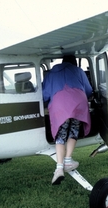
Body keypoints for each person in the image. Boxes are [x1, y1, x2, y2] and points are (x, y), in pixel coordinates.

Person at [42, 55, 93, 185]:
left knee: (61, 135)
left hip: (60, 105)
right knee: (74, 131)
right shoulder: (79, 71)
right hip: (78, 103)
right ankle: (68, 161)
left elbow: (44, 95)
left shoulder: (52, 73)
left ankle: (59, 169)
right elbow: (88, 90)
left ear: (62, 62)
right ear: (74, 63)